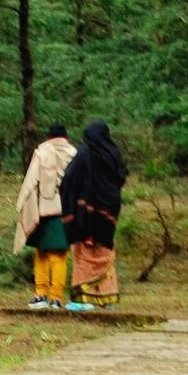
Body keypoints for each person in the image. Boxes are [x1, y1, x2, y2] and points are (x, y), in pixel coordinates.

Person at [58, 118, 126, 309]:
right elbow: (121, 178)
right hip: (108, 214)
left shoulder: (85, 154)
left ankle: (84, 299)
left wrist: (72, 202)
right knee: (104, 252)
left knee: (84, 252)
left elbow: (69, 179)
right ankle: (107, 298)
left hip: (85, 217)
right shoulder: (114, 154)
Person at [14, 123, 77, 309]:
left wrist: (21, 204)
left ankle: (40, 294)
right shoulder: (75, 154)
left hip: (43, 210)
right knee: (59, 254)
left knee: (41, 252)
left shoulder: (42, 152)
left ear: (49, 137)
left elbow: (30, 182)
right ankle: (57, 297)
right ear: (66, 138)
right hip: (66, 211)